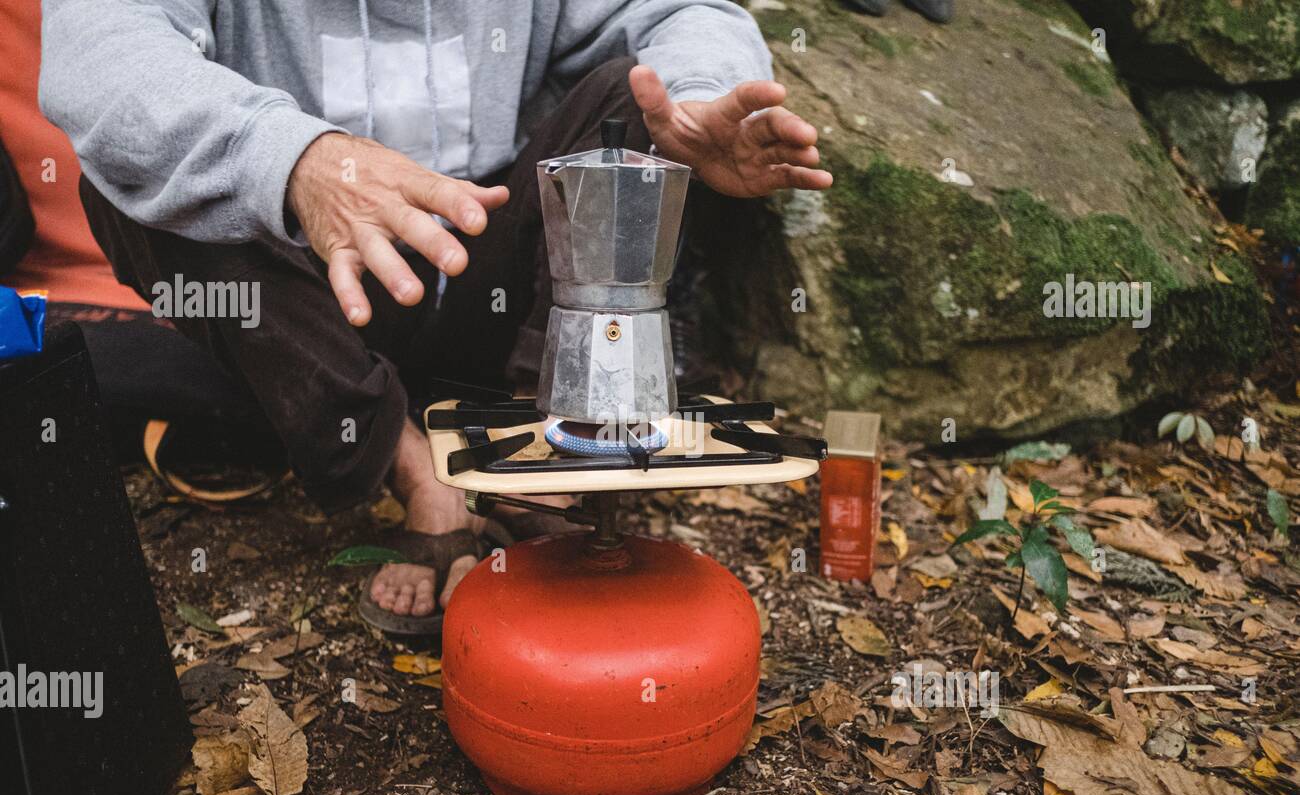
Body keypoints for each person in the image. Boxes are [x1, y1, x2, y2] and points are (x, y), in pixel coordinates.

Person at [39, 0, 832, 632]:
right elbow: (103, 56)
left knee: (635, 93)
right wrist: (297, 159)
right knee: (120, 165)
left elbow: (678, 12)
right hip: (304, 300)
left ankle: (538, 455)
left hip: (488, 266)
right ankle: (414, 467)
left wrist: (696, 97)